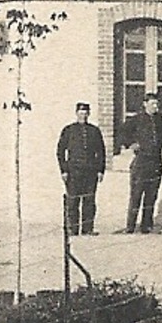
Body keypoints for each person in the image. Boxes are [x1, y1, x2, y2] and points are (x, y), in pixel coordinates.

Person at [119, 93, 162, 234]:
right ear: (145, 104)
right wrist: (130, 144)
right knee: (136, 195)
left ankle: (146, 225)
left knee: (151, 195)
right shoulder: (136, 120)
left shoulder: (161, 120)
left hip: (156, 162)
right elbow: (122, 133)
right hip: (141, 162)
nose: (155, 106)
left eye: (157, 104)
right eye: (152, 103)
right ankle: (130, 226)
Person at [57, 101, 106, 236]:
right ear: (76, 113)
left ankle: (87, 229)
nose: (83, 116)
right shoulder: (69, 130)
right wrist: (64, 170)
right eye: (80, 113)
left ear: (88, 114)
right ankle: (72, 229)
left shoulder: (94, 131)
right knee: (73, 201)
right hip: (74, 171)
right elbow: (60, 151)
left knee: (89, 201)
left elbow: (101, 151)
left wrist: (101, 170)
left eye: (85, 113)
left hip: (90, 172)